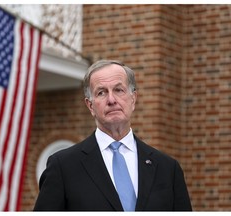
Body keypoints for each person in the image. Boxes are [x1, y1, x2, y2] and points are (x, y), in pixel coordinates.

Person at [33, 59, 192, 211]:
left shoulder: (168, 169)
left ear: (133, 99)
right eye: (101, 92)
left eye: (118, 90)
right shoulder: (63, 167)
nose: (111, 100)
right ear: (90, 106)